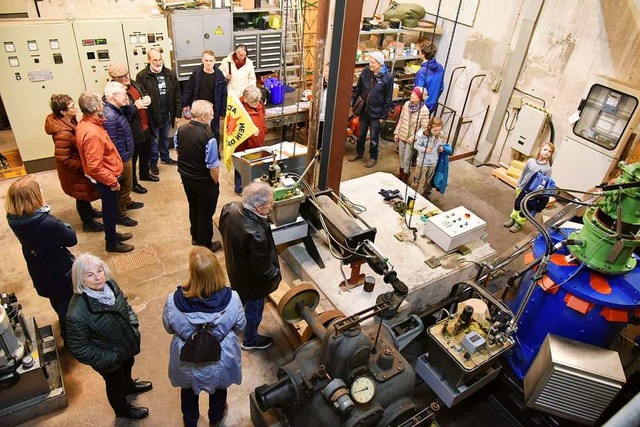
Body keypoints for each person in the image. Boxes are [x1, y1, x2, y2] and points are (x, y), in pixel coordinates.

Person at [163, 247, 246, 427]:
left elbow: (169, 327)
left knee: (188, 391)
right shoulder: (233, 298)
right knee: (218, 388)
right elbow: (240, 325)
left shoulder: (172, 300)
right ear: (218, 271)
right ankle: (215, 418)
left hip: (187, 357)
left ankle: (190, 421)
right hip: (220, 357)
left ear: (192, 273)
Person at [66, 253, 151, 420]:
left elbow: (124, 304)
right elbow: (79, 348)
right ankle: (122, 411)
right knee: (115, 384)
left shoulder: (110, 284)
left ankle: (129, 386)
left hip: (124, 345)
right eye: (90, 275)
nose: (98, 278)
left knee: (128, 365)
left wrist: (132, 324)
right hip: (109, 358)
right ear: (79, 279)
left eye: (99, 271)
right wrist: (109, 357)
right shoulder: (76, 313)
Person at [6, 175, 76, 342]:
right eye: (40, 190)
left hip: (40, 271)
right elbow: (71, 239)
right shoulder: (47, 223)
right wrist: (61, 223)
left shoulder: (15, 219)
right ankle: (71, 340)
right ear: (34, 197)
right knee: (69, 307)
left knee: (57, 301)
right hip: (60, 272)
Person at [219, 181, 280, 351]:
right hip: (253, 284)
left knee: (239, 298)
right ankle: (250, 340)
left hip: (235, 269)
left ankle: (234, 322)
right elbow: (264, 270)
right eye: (270, 203)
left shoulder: (229, 208)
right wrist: (275, 275)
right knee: (254, 310)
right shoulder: (256, 235)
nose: (272, 206)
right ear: (259, 207)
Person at [76, 91, 134, 253]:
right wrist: (112, 181)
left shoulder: (88, 124)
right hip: (106, 179)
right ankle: (112, 243)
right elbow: (95, 166)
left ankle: (113, 234)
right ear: (95, 108)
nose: (103, 105)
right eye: (100, 103)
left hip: (107, 176)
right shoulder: (92, 132)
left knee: (111, 209)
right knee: (109, 211)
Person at [45, 94, 103, 232]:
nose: (75, 107)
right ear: (63, 112)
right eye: (72, 107)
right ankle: (88, 223)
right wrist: (83, 165)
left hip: (78, 167)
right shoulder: (62, 134)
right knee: (81, 195)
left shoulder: (69, 120)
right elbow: (63, 158)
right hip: (74, 172)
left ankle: (90, 213)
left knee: (84, 193)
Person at [175, 100, 222, 252]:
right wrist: (215, 182)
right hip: (203, 181)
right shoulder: (209, 137)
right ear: (203, 117)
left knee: (193, 206)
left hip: (186, 178)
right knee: (206, 212)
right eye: (211, 114)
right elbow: (213, 167)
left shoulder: (181, 130)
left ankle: (195, 236)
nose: (213, 116)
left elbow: (178, 150)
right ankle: (206, 244)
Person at [108, 63, 158, 192]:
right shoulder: (113, 92)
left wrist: (147, 97)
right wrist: (135, 107)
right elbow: (120, 115)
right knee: (133, 159)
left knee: (145, 153)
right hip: (133, 131)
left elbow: (143, 92)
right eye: (122, 77)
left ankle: (145, 174)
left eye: (127, 75)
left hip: (145, 126)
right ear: (114, 78)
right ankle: (134, 184)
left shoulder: (134, 83)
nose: (126, 78)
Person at [103, 81, 144, 228]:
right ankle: (121, 215)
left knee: (127, 184)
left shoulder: (117, 109)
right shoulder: (110, 116)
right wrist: (118, 162)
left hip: (126, 153)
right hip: (121, 157)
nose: (127, 96)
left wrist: (127, 105)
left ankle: (127, 202)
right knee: (123, 186)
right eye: (123, 94)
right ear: (114, 96)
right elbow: (111, 143)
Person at [135, 48, 182, 174]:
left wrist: (177, 113)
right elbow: (141, 95)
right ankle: (153, 163)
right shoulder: (142, 76)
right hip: (152, 116)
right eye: (154, 60)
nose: (158, 62)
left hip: (166, 114)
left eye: (160, 59)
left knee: (165, 138)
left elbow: (177, 94)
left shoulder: (170, 74)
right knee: (153, 141)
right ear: (149, 60)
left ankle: (165, 158)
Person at [348, 51, 394, 168]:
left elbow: (388, 99)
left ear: (380, 63)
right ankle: (359, 153)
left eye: (373, 62)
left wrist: (383, 116)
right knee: (361, 135)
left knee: (374, 138)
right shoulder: (366, 72)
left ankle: (373, 157)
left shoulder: (387, 77)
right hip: (364, 111)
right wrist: (354, 106)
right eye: (370, 61)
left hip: (376, 114)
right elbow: (358, 89)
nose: (370, 64)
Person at [504, 142, 555, 233]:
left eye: (549, 151)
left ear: (551, 154)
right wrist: (519, 184)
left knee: (525, 207)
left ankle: (519, 223)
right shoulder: (530, 161)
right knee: (517, 204)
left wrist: (538, 194)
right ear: (540, 149)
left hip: (532, 193)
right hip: (522, 187)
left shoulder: (547, 169)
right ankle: (512, 218)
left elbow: (546, 182)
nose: (547, 152)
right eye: (545, 149)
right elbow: (524, 173)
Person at [182, 50, 228, 143]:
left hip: (214, 110)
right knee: (198, 131)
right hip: (199, 109)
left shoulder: (220, 76)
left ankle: (215, 153)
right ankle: (200, 152)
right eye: (206, 60)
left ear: (214, 61)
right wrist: (185, 105)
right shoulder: (196, 74)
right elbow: (188, 89)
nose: (208, 63)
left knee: (215, 132)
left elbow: (224, 95)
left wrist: (223, 112)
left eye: (211, 61)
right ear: (202, 60)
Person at [234, 86, 266, 195]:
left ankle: (252, 186)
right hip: (244, 145)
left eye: (258, 101)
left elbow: (263, 118)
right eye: (254, 102)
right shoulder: (238, 108)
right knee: (241, 167)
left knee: (255, 166)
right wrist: (249, 134)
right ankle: (239, 187)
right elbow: (235, 128)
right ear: (246, 99)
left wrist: (263, 130)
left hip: (258, 142)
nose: (257, 104)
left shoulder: (259, 103)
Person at [394, 87, 430, 183]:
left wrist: (413, 137)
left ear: (420, 98)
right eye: (412, 93)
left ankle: (405, 176)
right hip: (402, 134)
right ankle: (401, 174)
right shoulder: (406, 105)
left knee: (407, 158)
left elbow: (424, 127)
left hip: (411, 140)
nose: (412, 95)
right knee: (401, 155)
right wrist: (397, 132)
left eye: (414, 94)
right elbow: (401, 119)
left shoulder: (424, 110)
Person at [413, 116, 445, 198]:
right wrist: (424, 149)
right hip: (422, 162)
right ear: (430, 127)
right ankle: (413, 192)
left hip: (433, 162)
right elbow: (416, 145)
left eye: (439, 130)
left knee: (429, 179)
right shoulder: (423, 135)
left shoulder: (439, 135)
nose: (437, 132)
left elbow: (440, 143)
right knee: (417, 178)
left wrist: (440, 147)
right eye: (435, 130)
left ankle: (426, 193)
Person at [414, 40, 445, 114]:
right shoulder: (440, 67)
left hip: (422, 107)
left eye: (420, 51)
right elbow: (441, 88)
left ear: (423, 54)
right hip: (433, 104)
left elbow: (418, 93)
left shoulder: (422, 72)